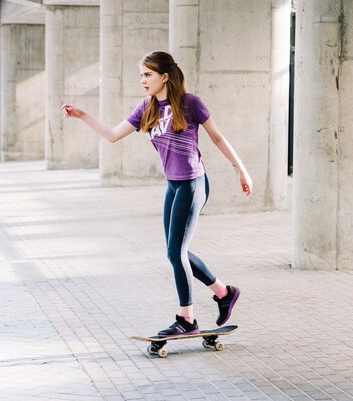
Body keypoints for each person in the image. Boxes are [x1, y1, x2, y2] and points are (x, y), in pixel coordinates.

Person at [62, 51, 252, 336]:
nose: (143, 80)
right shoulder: (146, 108)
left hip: (192, 183)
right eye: (141, 75)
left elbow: (217, 137)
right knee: (176, 252)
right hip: (173, 186)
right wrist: (82, 115)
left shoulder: (191, 103)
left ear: (165, 76)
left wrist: (241, 169)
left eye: (148, 74)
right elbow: (113, 135)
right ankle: (224, 293)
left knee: (176, 252)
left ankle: (186, 320)